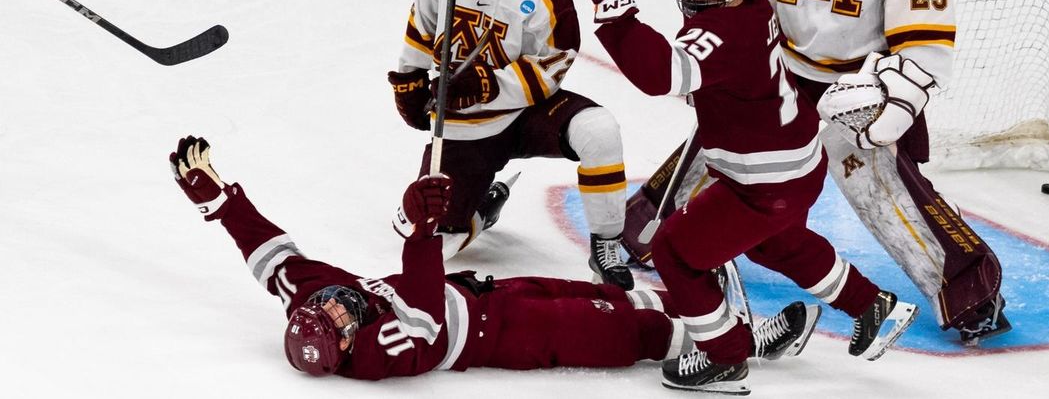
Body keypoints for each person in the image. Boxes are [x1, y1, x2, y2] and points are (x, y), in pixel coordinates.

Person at [608, 0, 1010, 346]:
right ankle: (646, 229)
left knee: (882, 188)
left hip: (855, 87)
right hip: (786, 68)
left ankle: (970, 290)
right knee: (723, 147)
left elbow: (925, 18)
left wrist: (906, 89)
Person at [571, 0, 918, 394]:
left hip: (761, 182)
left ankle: (725, 358)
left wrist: (615, 9)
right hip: (793, 163)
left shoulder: (728, 32)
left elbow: (659, 75)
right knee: (777, 246)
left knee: (675, 251)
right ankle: (874, 307)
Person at [168, 135, 815, 379]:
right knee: (624, 328)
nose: (337, 303)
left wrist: (219, 201)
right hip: (509, 336)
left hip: (487, 293)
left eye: (327, 304)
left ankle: (703, 319)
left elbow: (274, 257)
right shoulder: (378, 351)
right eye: (337, 320)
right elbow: (423, 312)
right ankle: (731, 346)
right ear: (343, 349)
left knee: (617, 297)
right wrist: (418, 232)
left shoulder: (316, 302)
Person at [387, 0, 631, 288]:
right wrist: (407, 79)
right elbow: (421, 25)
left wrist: (488, 86)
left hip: (526, 113)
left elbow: (553, 65)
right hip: (465, 127)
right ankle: (485, 206)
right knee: (424, 236)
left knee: (599, 129)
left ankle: (607, 245)